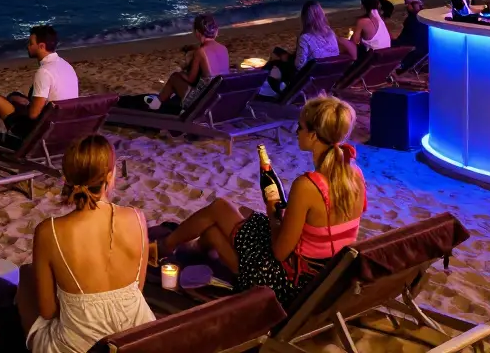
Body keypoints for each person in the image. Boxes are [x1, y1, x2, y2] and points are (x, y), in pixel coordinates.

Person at [154, 96, 366, 308]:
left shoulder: (308, 185)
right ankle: (190, 249)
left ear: (313, 135)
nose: (296, 132)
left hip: (290, 285)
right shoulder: (354, 175)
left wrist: (272, 210)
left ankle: (165, 248)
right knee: (216, 230)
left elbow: (280, 253)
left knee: (220, 208)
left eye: (300, 127)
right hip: (326, 278)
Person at [17, 135, 154, 353]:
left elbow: (48, 311)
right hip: (135, 339)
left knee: (25, 275)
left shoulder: (49, 231)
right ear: (109, 176)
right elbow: (137, 289)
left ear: (67, 177)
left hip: (81, 346)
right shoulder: (137, 218)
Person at [0, 25, 78, 144]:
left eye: (30, 43)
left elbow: (33, 115)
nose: (27, 46)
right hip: (61, 126)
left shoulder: (44, 72)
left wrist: (26, 107)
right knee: (14, 96)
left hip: (41, 133)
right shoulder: (66, 66)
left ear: (41, 46)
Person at [257, 1, 350, 98]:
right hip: (327, 73)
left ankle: (261, 86)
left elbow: (299, 66)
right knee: (278, 52)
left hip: (309, 76)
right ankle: (265, 86)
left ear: (304, 18)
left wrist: (289, 60)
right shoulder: (330, 33)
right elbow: (334, 53)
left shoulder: (305, 37)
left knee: (275, 62)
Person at [144, 14, 228, 111]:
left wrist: (181, 73)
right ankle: (160, 101)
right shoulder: (224, 49)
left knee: (174, 77)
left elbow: (191, 79)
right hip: (219, 96)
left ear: (197, 32)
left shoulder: (201, 52)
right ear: (216, 31)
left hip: (202, 101)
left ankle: (155, 105)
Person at [394, 0, 429, 72]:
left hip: (414, 54)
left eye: (407, 4)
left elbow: (406, 40)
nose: (406, 6)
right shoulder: (427, 18)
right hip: (425, 52)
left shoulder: (411, 20)